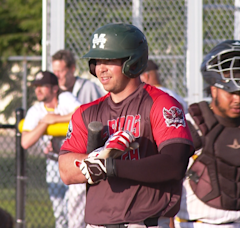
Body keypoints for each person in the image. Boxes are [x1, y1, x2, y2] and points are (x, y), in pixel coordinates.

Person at [58, 23, 194, 228]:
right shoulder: (86, 112)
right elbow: (66, 171)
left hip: (146, 223)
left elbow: (173, 164)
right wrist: (99, 157)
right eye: (97, 61)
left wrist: (111, 167)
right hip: (98, 224)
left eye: (109, 60)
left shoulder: (161, 103)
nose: (100, 68)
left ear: (133, 61)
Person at [173, 40, 240, 228]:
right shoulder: (191, 125)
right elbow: (168, 183)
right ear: (214, 89)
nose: (237, 100)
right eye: (231, 92)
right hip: (197, 223)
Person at [52, 49, 105, 228]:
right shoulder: (54, 92)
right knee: (59, 213)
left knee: (78, 213)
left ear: (72, 69)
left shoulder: (88, 88)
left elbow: (101, 116)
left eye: (61, 71)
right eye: (55, 71)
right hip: (57, 158)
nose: (57, 75)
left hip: (83, 158)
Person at [20, 71, 81, 228]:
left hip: (75, 162)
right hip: (53, 163)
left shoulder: (65, 98)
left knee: (76, 213)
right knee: (59, 214)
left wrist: (55, 119)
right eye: (36, 86)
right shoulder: (36, 111)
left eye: (43, 86)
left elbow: (81, 112)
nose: (38, 90)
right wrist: (44, 124)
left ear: (55, 88)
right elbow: (25, 142)